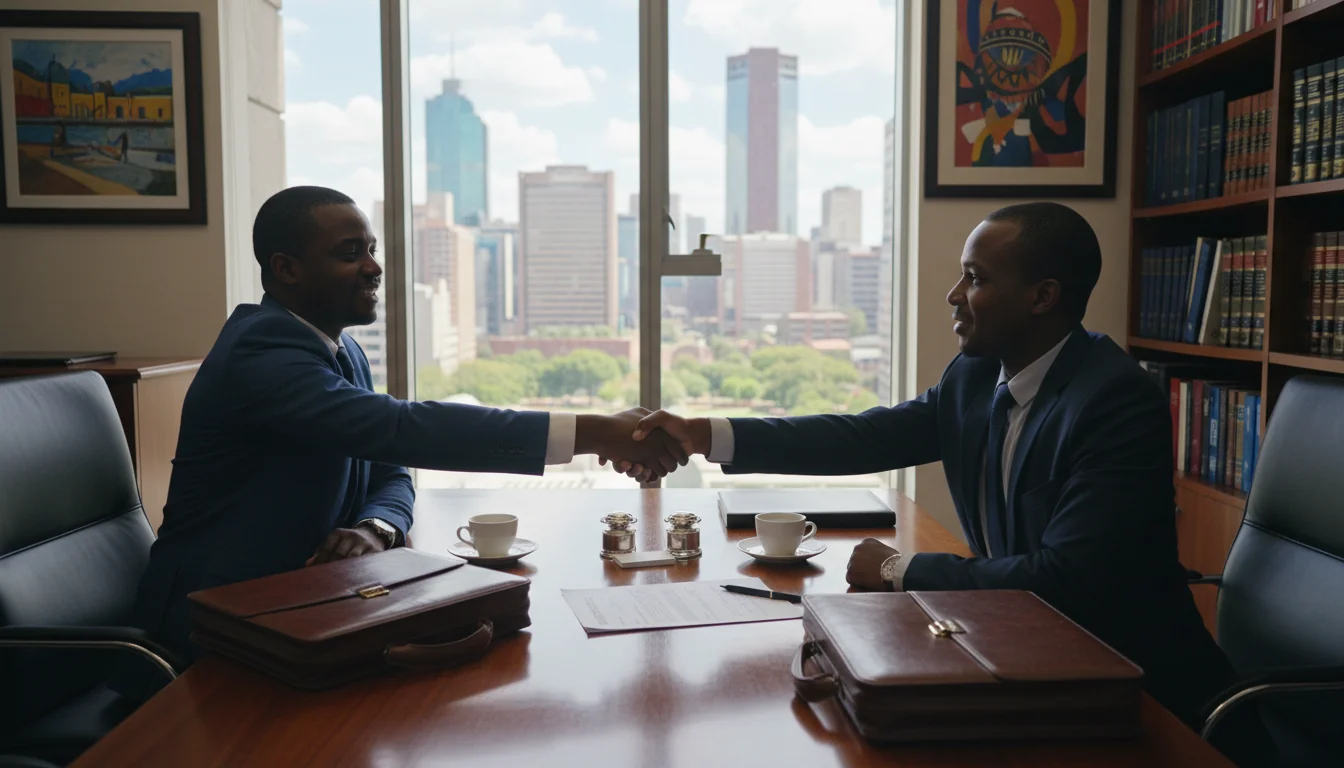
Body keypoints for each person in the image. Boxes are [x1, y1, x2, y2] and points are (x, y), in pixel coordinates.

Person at [620, 202, 1235, 730]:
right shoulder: (974, 377)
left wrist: (900, 568)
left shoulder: (1114, 401)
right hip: (1022, 652)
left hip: (1135, 692)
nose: (954, 296)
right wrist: (703, 434)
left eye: (975, 278)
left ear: (1042, 296)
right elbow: (863, 438)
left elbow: (1068, 581)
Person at [114, 186, 685, 698]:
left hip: (314, 608)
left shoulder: (341, 350)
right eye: (350, 253)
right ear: (286, 269)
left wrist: (375, 527)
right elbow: (403, 429)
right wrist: (594, 433)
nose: (373, 267)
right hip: (216, 631)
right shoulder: (260, 352)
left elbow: (390, 467)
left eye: (371, 249)